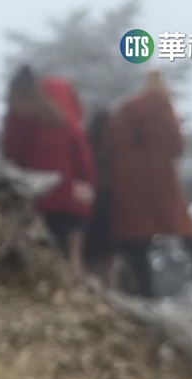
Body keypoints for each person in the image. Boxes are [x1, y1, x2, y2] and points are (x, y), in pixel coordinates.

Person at [103, 70, 192, 298]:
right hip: (162, 180)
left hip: (128, 181)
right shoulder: (163, 110)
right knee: (187, 235)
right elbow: (177, 146)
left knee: (136, 240)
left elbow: (111, 142)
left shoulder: (126, 110)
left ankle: (146, 296)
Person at [1, 65, 95, 277]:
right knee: (72, 254)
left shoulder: (17, 115)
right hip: (69, 195)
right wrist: (86, 180)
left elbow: (11, 154)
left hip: (39, 194)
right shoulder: (59, 114)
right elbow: (80, 149)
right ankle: (75, 293)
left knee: (46, 253)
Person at [82, 108, 119, 288]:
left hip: (89, 203)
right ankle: (110, 291)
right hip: (109, 204)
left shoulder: (86, 148)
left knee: (87, 258)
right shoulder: (115, 151)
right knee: (107, 261)